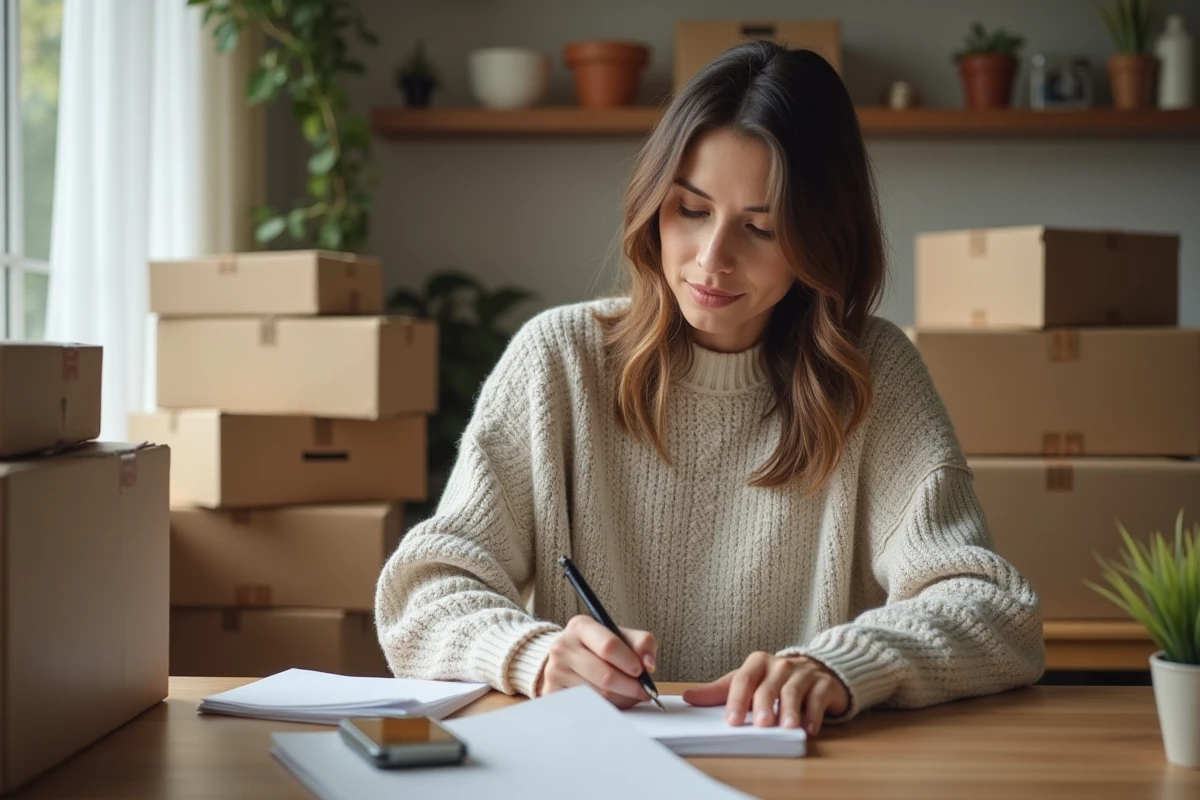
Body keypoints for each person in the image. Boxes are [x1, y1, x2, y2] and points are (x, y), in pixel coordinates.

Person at [375, 41, 1044, 736]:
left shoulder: (872, 374)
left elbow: (995, 610)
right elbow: (421, 595)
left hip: (809, 780)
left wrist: (844, 665)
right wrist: (535, 655)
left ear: (821, 241)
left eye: (761, 228)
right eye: (690, 210)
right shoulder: (559, 361)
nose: (712, 259)